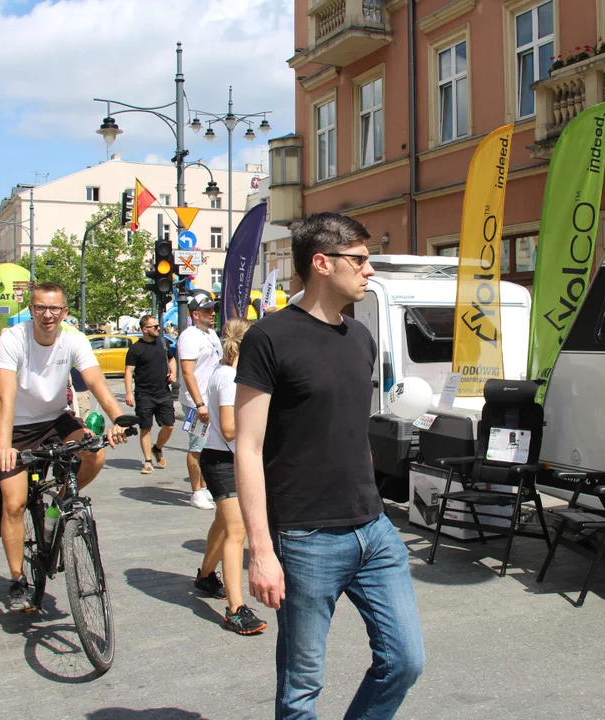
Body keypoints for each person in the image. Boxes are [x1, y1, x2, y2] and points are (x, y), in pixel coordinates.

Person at [235, 213, 425, 719]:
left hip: (374, 530)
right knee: (302, 689)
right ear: (322, 263)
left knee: (405, 660)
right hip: (305, 538)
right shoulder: (269, 338)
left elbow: (350, 429)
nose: (369, 271)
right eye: (360, 259)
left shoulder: (359, 337)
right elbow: (247, 448)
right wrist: (261, 551)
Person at [0, 282, 130, 612]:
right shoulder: (13, 339)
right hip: (17, 426)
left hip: (54, 419)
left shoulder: (73, 339)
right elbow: (4, 397)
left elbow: (96, 381)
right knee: (14, 503)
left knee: (94, 452)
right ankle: (17, 580)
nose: (47, 315)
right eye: (40, 307)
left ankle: (58, 504)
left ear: (64, 311)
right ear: (31, 309)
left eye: (54, 308)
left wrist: (119, 416)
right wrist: (3, 446)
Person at [193, 317, 266, 635]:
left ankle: (206, 575)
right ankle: (235, 609)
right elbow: (227, 428)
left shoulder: (237, 373)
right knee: (237, 531)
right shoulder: (228, 376)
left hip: (236, 458)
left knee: (224, 525)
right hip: (222, 461)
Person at [177, 290, 223, 510]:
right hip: (197, 402)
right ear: (195, 314)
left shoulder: (210, 334)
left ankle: (204, 487)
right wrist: (199, 404)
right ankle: (196, 491)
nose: (212, 313)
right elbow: (188, 372)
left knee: (208, 445)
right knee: (197, 446)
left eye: (213, 309)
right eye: (207, 310)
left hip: (211, 399)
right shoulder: (189, 336)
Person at [124, 314, 177, 475]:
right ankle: (147, 461)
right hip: (144, 394)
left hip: (163, 392)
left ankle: (157, 448)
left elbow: (172, 360)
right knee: (145, 428)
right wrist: (128, 393)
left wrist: (173, 373)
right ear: (144, 329)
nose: (158, 328)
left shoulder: (163, 343)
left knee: (169, 425)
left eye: (158, 325)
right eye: (154, 327)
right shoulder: (135, 349)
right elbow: (129, 371)